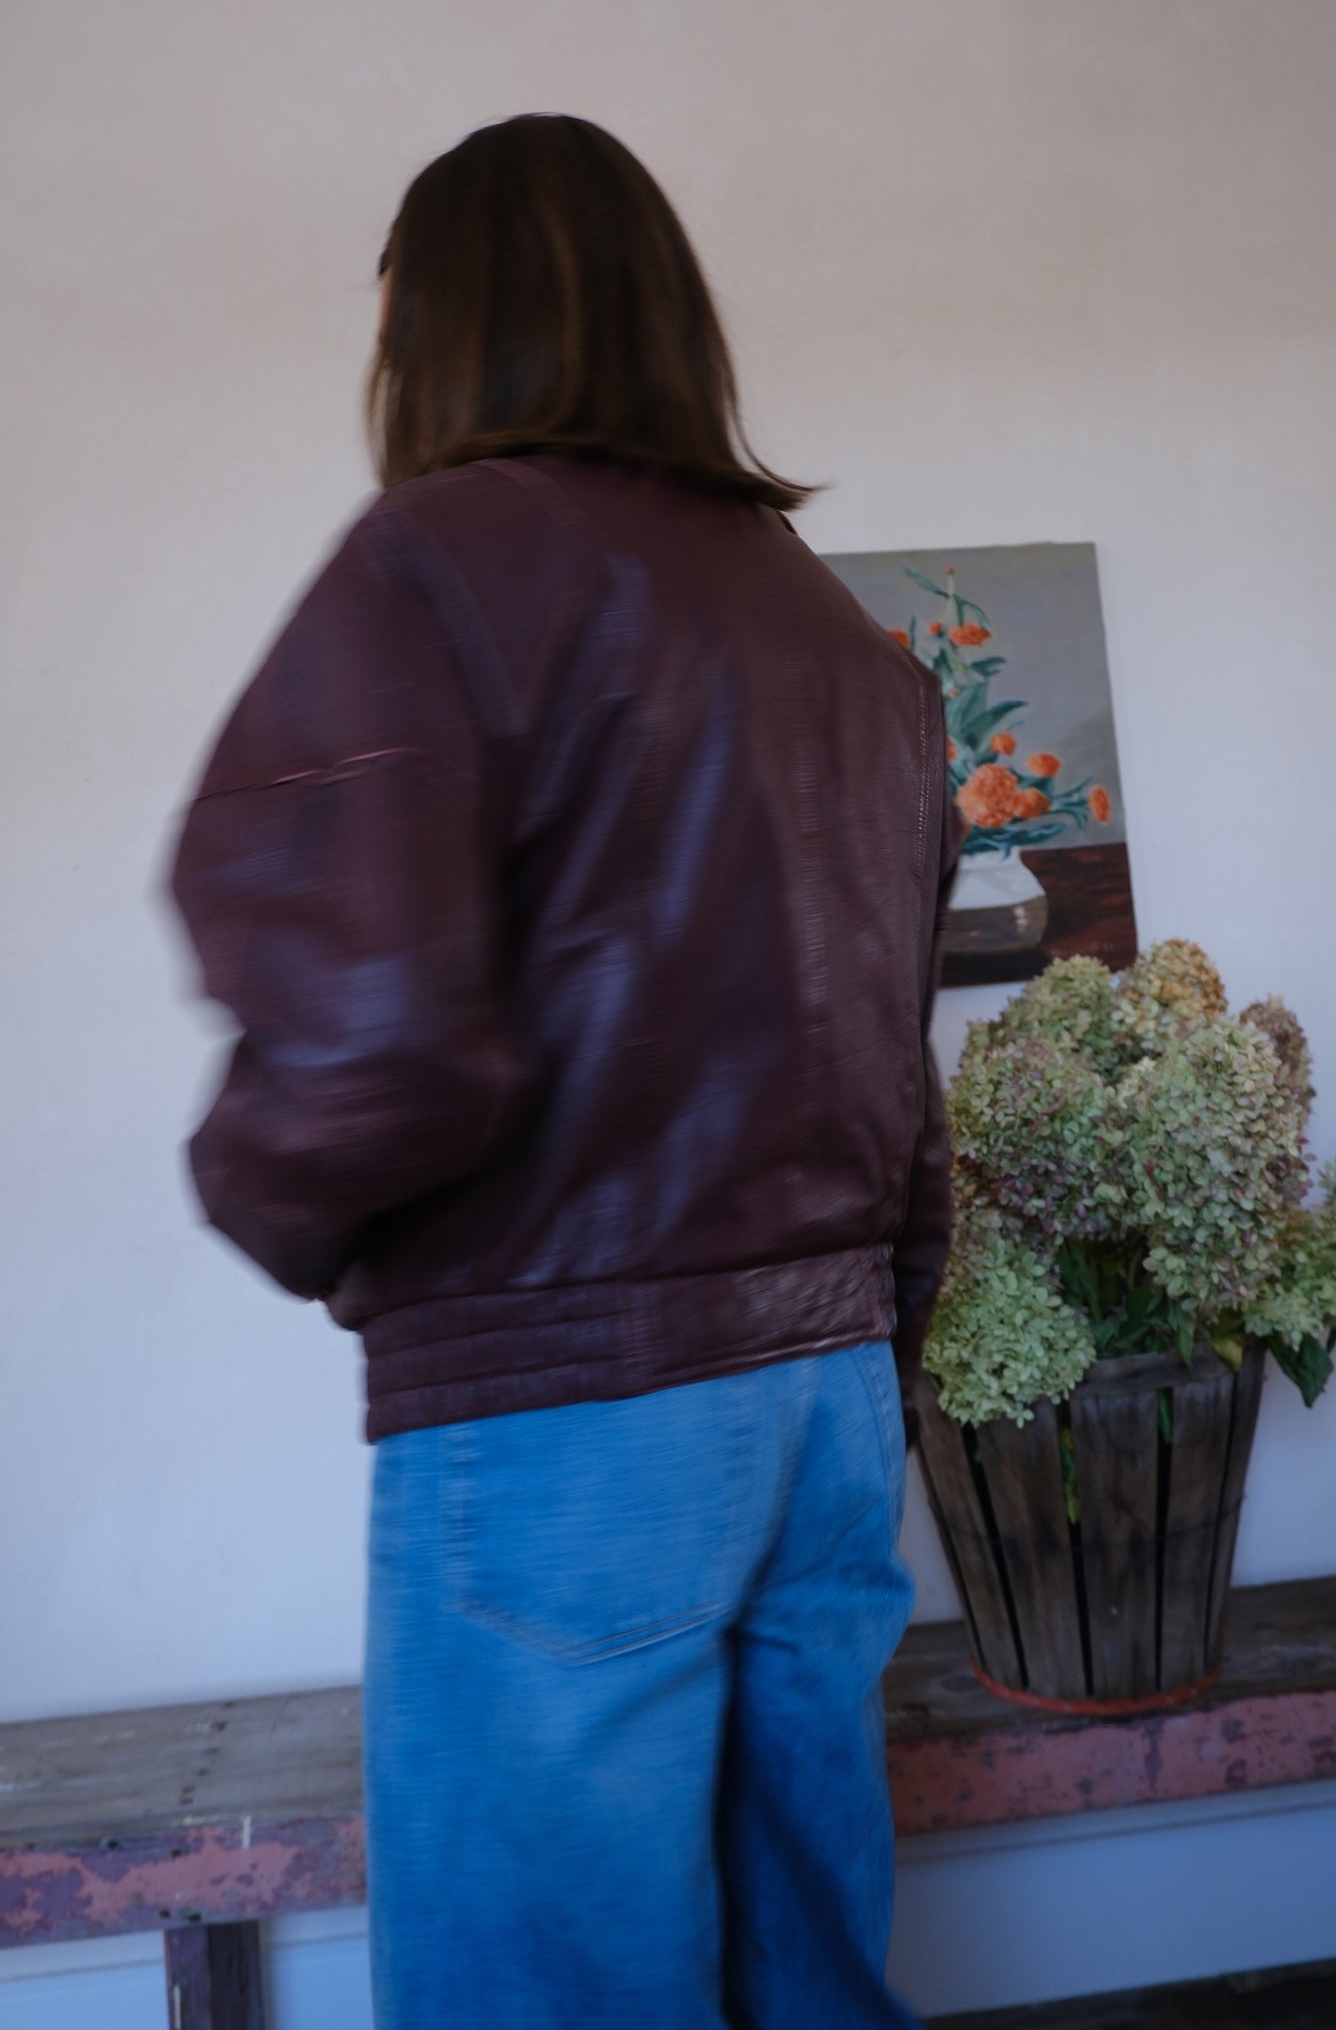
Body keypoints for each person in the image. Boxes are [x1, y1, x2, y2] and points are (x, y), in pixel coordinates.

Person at [171, 114, 956, 2030]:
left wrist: (269, 1203)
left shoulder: (438, 563)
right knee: (810, 1978)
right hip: (826, 1405)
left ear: (436, 324)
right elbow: (890, 1060)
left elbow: (370, 1051)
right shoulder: (844, 641)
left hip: (568, 1415)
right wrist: (871, 1322)